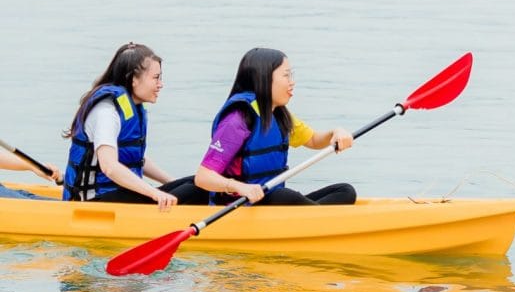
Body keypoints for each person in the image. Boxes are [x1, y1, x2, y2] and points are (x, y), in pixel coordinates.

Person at [194, 48, 356, 206]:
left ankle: (311, 218)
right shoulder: (238, 120)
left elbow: (313, 140)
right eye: (286, 75)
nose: (292, 82)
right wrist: (240, 187)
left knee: (345, 191)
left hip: (272, 201)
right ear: (263, 78)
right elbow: (203, 176)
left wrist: (336, 132)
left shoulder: (278, 114)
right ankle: (319, 220)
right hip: (241, 206)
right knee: (284, 196)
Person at [62, 42, 207, 209]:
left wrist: (172, 183)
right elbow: (109, 167)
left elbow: (136, 160)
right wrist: (154, 193)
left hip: (120, 195)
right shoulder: (107, 112)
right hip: (95, 202)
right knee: (198, 191)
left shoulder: (130, 107)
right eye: (155, 78)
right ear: (133, 79)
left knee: (198, 183)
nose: (161, 84)